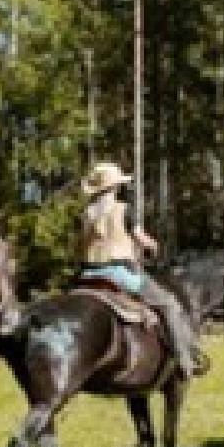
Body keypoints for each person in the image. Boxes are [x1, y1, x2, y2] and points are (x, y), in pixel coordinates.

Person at [77, 162, 207, 378]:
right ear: (114, 187)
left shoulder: (86, 214)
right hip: (118, 274)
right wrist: (152, 246)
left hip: (87, 275)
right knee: (169, 304)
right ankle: (185, 361)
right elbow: (141, 239)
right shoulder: (123, 209)